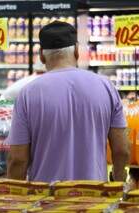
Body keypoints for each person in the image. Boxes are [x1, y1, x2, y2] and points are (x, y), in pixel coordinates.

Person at [7, 21, 130, 182]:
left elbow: (18, 160)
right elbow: (121, 150)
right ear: (77, 51)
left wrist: (14, 197)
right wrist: (118, 179)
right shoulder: (106, 86)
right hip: (94, 198)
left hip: (45, 201)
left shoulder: (28, 94)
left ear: (42, 56)